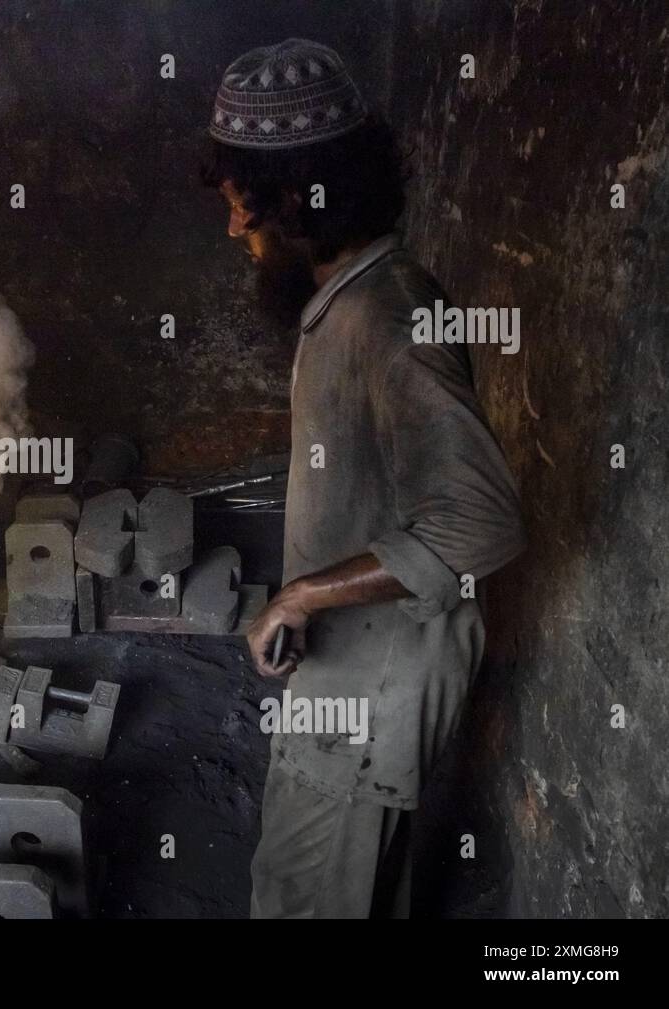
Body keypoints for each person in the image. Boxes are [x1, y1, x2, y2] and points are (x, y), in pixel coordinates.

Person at [202, 39, 526, 917]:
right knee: (357, 890)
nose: (235, 229)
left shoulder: (390, 320)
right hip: (351, 671)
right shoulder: (350, 297)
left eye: (244, 208)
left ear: (302, 204)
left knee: (305, 896)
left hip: (374, 689)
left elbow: (482, 523)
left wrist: (302, 595)